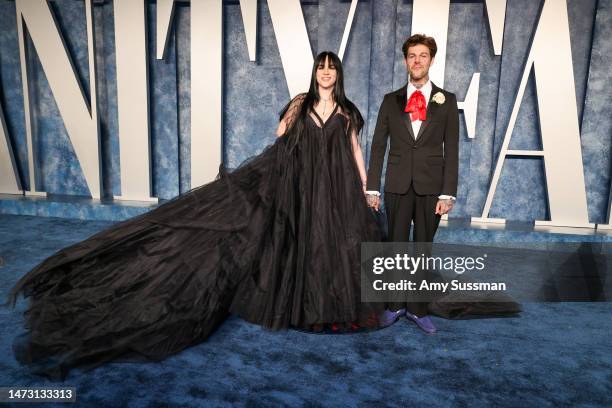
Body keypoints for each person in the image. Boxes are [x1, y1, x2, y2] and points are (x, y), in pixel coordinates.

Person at [7, 51, 385, 380]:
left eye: (331, 68)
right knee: (301, 243)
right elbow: (280, 133)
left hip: (334, 190)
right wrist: (292, 110)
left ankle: (326, 306)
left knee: (331, 247)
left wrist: (369, 188)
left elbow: (353, 151)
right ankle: (303, 304)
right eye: (321, 67)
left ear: (338, 74)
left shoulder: (347, 111)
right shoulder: (301, 103)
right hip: (302, 189)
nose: (326, 72)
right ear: (315, 72)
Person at [366, 34, 459, 334]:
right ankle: (394, 305)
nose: (417, 61)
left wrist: (448, 193)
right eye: (411, 56)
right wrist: (372, 188)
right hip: (396, 184)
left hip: (432, 188)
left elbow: (452, 150)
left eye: (422, 55)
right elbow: (378, 145)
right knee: (395, 248)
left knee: (422, 249)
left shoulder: (446, 100)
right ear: (405, 61)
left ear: (431, 59)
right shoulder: (390, 100)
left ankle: (418, 309)